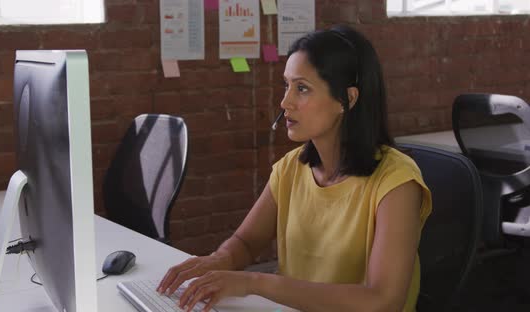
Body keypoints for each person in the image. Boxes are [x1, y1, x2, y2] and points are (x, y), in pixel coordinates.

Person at [157, 24, 432, 312]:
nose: (285, 102)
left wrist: (254, 282)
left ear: (347, 99)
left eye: (301, 88)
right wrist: (218, 260)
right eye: (286, 85)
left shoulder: (397, 182)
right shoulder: (290, 168)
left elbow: (382, 301)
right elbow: (247, 242)